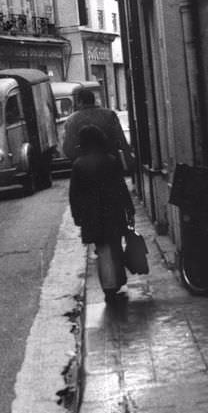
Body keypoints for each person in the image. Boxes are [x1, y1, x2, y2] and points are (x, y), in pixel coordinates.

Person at [69, 124, 135, 302]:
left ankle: (109, 288)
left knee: (103, 250)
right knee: (115, 246)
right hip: (113, 212)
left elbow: (74, 195)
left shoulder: (78, 165)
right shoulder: (111, 160)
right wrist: (129, 208)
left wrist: (77, 216)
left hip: (92, 216)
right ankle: (117, 281)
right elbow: (121, 187)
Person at [62, 89, 134, 172]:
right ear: (93, 100)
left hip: (86, 168)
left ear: (80, 102)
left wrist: (78, 160)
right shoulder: (109, 115)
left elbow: (68, 148)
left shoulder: (72, 120)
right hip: (110, 163)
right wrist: (128, 159)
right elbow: (121, 139)